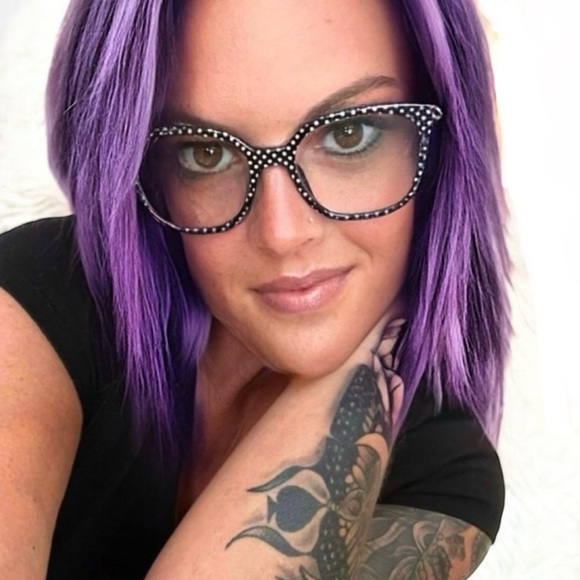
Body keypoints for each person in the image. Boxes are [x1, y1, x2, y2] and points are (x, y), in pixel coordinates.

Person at [0, 0, 510, 578]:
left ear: (442, 153)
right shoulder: (42, 300)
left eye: (349, 134)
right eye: (206, 152)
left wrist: (369, 357)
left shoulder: (442, 473)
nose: (282, 234)